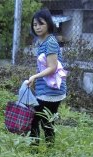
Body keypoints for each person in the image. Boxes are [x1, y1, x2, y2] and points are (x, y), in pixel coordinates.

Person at [25, 9, 67, 145]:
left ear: (48, 24)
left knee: (34, 120)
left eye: (41, 24)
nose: (37, 27)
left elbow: (52, 67)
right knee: (47, 121)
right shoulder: (43, 42)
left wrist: (34, 77)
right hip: (48, 90)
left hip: (51, 91)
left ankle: (34, 150)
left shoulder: (50, 42)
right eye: (35, 24)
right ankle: (49, 149)